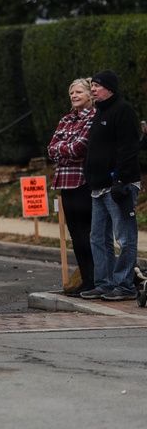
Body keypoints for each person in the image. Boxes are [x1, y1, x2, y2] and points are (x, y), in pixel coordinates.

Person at [79, 69, 142, 301]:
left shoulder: (122, 110)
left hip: (119, 186)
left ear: (110, 88)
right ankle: (104, 284)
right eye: (92, 85)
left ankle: (124, 285)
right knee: (98, 237)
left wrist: (120, 180)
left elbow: (128, 147)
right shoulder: (99, 112)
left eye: (97, 86)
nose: (93, 89)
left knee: (125, 238)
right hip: (98, 187)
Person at [47, 78, 96, 296]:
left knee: (87, 233)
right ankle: (84, 279)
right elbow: (50, 149)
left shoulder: (93, 118)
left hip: (82, 181)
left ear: (90, 95)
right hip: (64, 182)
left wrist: (62, 149)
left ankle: (95, 278)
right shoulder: (66, 119)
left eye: (78, 92)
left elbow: (80, 147)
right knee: (74, 234)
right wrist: (64, 149)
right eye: (71, 93)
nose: (74, 96)